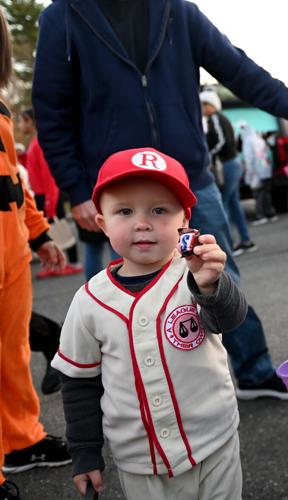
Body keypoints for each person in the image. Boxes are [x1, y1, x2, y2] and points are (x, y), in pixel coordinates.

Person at [32, 0, 288, 400]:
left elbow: (240, 70)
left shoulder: (177, 11)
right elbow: (51, 112)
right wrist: (77, 191)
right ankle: (128, 393)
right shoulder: (63, 16)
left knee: (218, 272)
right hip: (114, 190)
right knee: (116, 293)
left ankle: (252, 370)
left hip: (188, 180)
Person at [51, 148, 248, 498]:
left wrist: (214, 284)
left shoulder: (195, 272)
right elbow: (78, 383)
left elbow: (229, 320)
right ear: (102, 223)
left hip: (214, 440)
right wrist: (84, 453)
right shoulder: (89, 301)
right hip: (140, 459)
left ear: (184, 220)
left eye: (159, 210)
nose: (142, 223)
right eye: (125, 211)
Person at [0, 11, 71, 500]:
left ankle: (20, 439)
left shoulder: (0, 111)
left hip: (9, 259)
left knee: (12, 356)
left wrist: (39, 234)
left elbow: (13, 184)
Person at [18, 108, 83, 278]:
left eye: (22, 121)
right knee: (53, 229)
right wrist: (23, 157)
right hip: (43, 194)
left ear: (31, 122)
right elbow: (33, 168)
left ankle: (73, 262)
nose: (19, 125)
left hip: (49, 194)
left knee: (60, 227)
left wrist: (50, 201)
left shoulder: (40, 142)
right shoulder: (33, 143)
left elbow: (48, 175)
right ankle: (57, 264)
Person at [200, 90, 256, 255]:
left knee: (222, 204)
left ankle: (227, 245)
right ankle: (245, 240)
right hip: (232, 164)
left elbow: (221, 142)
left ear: (211, 105)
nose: (201, 108)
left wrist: (209, 154)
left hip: (226, 165)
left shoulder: (215, 118)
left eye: (204, 104)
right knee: (233, 204)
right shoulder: (221, 118)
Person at [239, 123, 278, 225]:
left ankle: (261, 215)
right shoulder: (259, 139)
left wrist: (249, 175)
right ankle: (271, 213)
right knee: (266, 194)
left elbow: (249, 159)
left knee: (258, 195)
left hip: (256, 172)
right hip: (266, 169)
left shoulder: (248, 142)